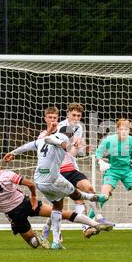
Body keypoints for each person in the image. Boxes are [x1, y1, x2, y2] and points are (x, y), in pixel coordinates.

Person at [3, 107, 111, 250]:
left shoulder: (41, 140)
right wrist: (64, 144)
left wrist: (13, 152)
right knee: (76, 194)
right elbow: (56, 141)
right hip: (54, 179)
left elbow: (30, 145)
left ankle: (56, 242)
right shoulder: (59, 138)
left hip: (40, 181)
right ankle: (96, 198)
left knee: (58, 207)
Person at [42, 103, 114, 240]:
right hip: (57, 170)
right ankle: (47, 227)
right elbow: (62, 147)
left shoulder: (79, 128)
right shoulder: (62, 127)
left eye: (79, 116)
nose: (76, 118)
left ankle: (96, 219)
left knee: (88, 189)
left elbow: (73, 152)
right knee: (59, 205)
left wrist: (81, 149)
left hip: (71, 167)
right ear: (67, 114)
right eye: (73, 115)